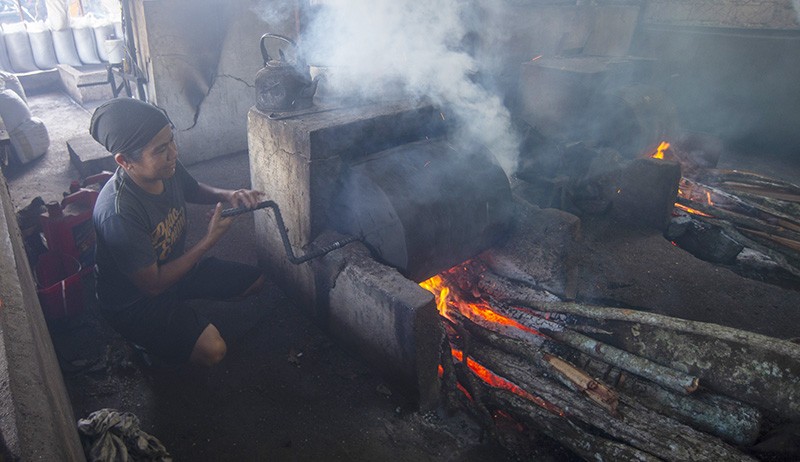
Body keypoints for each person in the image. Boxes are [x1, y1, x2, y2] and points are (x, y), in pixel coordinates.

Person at [90, 98, 265, 367]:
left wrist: (231, 194)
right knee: (213, 349)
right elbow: (153, 285)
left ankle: (180, 312)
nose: (174, 153)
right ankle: (143, 342)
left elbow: (191, 188)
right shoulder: (119, 213)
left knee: (256, 282)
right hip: (136, 302)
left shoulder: (165, 167)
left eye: (172, 140)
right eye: (161, 149)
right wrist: (208, 241)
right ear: (125, 161)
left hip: (173, 267)